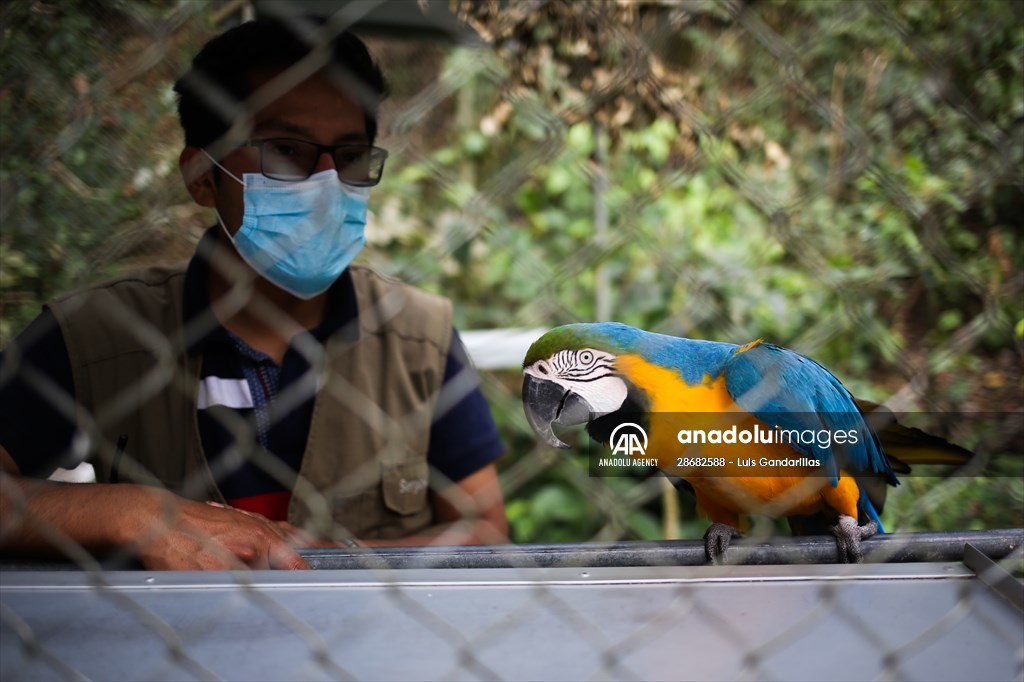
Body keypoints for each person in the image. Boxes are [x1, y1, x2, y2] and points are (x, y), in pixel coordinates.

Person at [0, 17, 508, 570]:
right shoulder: (98, 334)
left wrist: (328, 563)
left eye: (349, 156)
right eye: (286, 150)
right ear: (202, 175)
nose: (326, 183)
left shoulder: (418, 335)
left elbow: (485, 528)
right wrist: (133, 513)